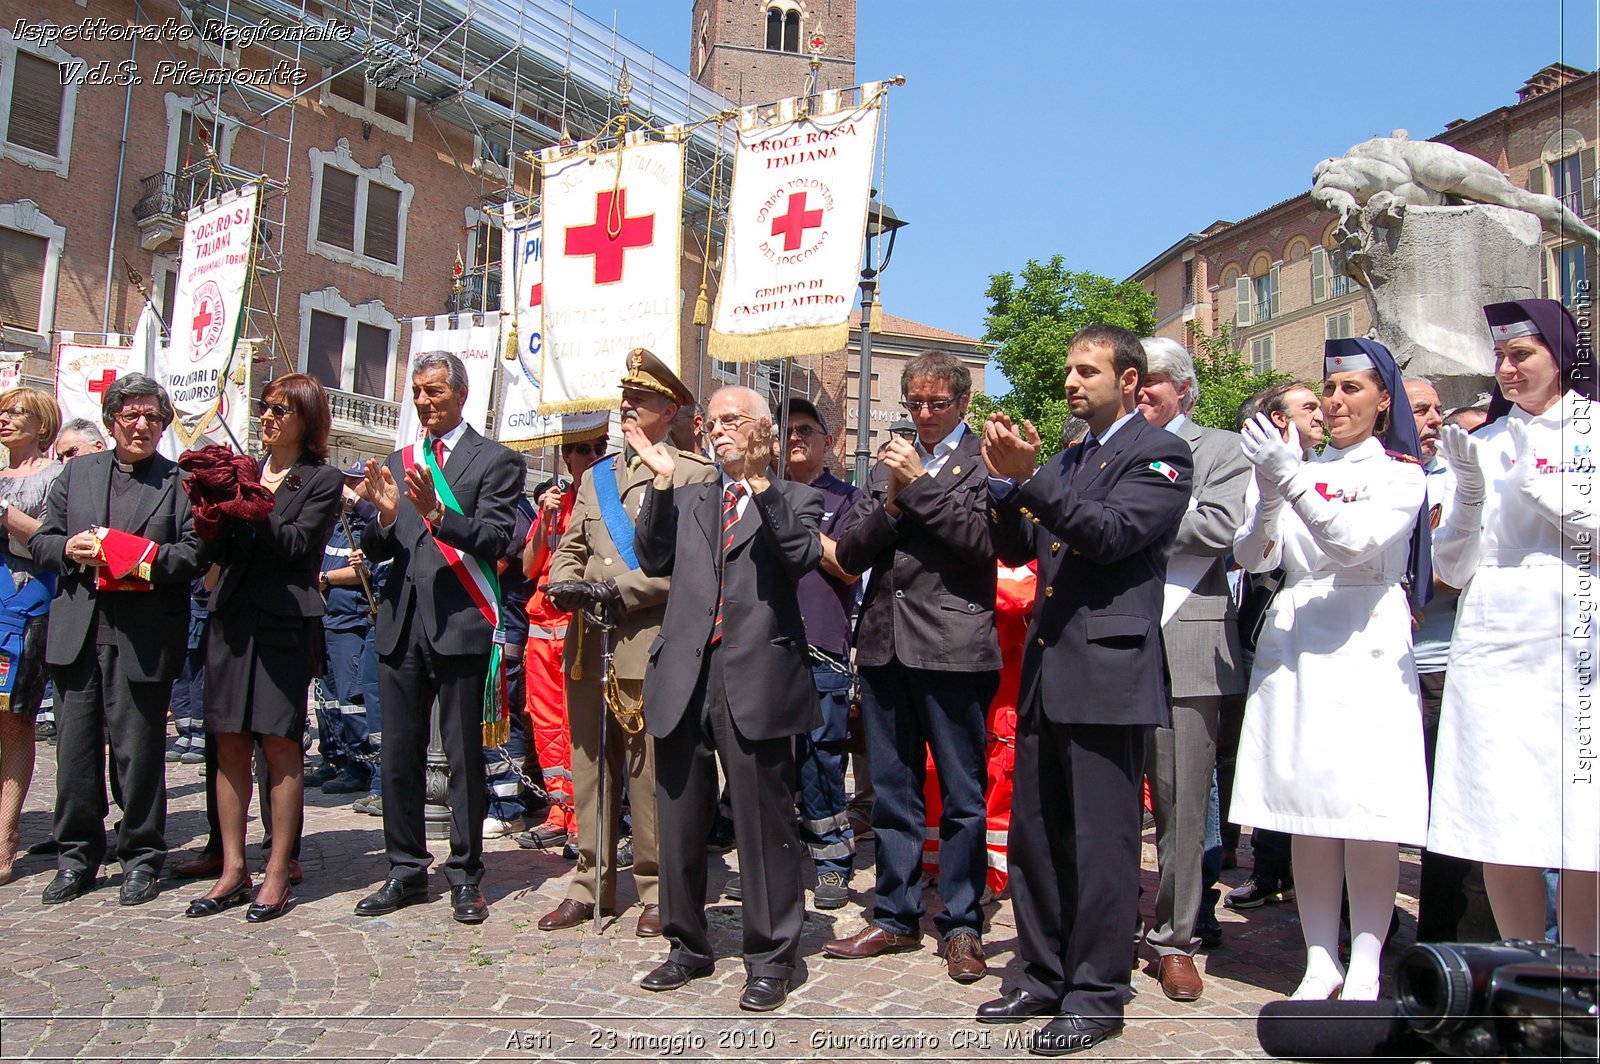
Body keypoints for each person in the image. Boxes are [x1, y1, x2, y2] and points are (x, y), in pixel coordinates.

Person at [977, 324, 1193, 1056]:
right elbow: (1017, 551)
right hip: (1048, 669)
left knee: (1103, 845)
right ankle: (1043, 972)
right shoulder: (1069, 457)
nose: (1071, 381)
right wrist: (1007, 488)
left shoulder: (1161, 453)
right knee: (1038, 837)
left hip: (1108, 674)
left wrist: (1035, 482)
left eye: (1087, 370)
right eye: (1069, 369)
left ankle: (1097, 992)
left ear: (1130, 380)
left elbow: (1109, 534)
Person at [1231, 337, 1431, 1001]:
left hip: (1364, 636)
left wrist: (1290, 480)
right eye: (1329, 390)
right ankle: (1320, 959)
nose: (1337, 403)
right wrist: (1266, 494)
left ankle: (1369, 957)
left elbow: (1353, 545)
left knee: (1364, 811)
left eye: (1352, 390)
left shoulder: (1401, 473)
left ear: (1382, 400)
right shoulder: (1298, 466)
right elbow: (1257, 559)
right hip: (1299, 639)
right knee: (1308, 808)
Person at [630, 384, 823, 1013]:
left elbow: (797, 557)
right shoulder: (691, 498)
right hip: (685, 672)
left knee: (764, 827)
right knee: (680, 819)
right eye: (711, 422)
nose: (718, 431)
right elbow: (652, 555)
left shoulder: (797, 496)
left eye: (733, 421)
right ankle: (686, 943)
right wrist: (659, 484)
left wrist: (761, 482)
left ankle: (771, 958)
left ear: (764, 430)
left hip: (756, 679)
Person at [1429, 299, 1598, 953]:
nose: (1505, 369)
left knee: (1583, 819)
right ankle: (1525, 968)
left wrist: (1538, 484)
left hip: (1577, 645)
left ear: (1562, 354)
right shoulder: (1482, 442)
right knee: (1499, 813)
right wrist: (1467, 498)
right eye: (1498, 356)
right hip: (1493, 647)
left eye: (1521, 354)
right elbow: (1452, 568)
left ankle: (1585, 970)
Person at [825, 351, 999, 985]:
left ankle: (961, 922)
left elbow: (981, 544)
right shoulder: (887, 461)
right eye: (916, 404)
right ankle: (894, 914)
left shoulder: (982, 461)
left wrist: (919, 485)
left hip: (953, 646)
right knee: (893, 792)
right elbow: (849, 549)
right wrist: (895, 503)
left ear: (962, 403)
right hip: (883, 643)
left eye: (938, 405)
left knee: (960, 794)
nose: (924, 415)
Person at [538, 350, 716, 937]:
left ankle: (654, 888)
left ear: (669, 410)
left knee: (645, 771)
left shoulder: (693, 474)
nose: (628, 409)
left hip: (646, 637)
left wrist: (617, 590)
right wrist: (562, 582)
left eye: (640, 401)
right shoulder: (596, 477)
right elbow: (572, 544)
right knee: (589, 766)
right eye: (625, 399)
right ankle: (590, 884)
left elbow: (689, 567)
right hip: (590, 641)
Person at [355, 351, 524, 924]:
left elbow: (499, 539)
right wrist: (382, 518)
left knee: (462, 758)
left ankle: (466, 875)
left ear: (461, 393)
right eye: (418, 392)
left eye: (434, 392)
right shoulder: (399, 459)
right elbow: (379, 548)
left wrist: (436, 513)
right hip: (401, 625)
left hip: (459, 623)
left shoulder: (496, 461)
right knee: (398, 756)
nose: (424, 402)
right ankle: (404, 869)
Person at [31, 374, 206, 906]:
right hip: (78, 632)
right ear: (111, 420)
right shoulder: (77, 473)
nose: (141, 425)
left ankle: (141, 856)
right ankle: (77, 856)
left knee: (139, 755)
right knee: (76, 754)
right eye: (131, 415)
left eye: (153, 417)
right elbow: (42, 540)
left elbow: (193, 554)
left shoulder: (179, 482)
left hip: (142, 635)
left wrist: (139, 558)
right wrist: (70, 549)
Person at [183, 374, 342, 922]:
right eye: (264, 407)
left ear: (307, 420)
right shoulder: (247, 471)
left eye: (282, 409)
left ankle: (277, 870)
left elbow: (296, 545)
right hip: (232, 616)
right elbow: (219, 546)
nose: (269, 417)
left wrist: (251, 501)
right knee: (227, 741)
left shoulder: (320, 479)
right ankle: (231, 868)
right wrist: (212, 504)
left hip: (282, 623)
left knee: (279, 744)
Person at [1135, 337, 1250, 1001]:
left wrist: (1130, 515)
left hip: (1189, 644)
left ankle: (1175, 937)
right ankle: (1114, 919)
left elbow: (1215, 530)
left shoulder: (1223, 449)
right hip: (1114, 645)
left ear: (1183, 389)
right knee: (1114, 798)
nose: (1141, 392)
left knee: (1181, 803)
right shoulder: (1102, 444)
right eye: (1134, 380)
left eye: (1152, 382)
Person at [1222, 380, 1324, 914]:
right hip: (1265, 621)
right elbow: (1246, 552)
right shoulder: (1249, 476)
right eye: (1309, 405)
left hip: (1331, 629)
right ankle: (1268, 867)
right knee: (1264, 747)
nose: (1322, 412)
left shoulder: (1332, 473)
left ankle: (1324, 882)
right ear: (1276, 420)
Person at [777, 396, 859, 911]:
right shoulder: (755, 493)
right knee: (769, 762)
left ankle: (831, 860)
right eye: (786, 429)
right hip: (764, 645)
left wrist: (803, 526)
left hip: (821, 645)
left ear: (829, 442)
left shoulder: (846, 499)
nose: (795, 437)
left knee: (821, 757)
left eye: (807, 429)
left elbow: (849, 566)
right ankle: (774, 860)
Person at [1402, 376, 1474, 943]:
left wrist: (1410, 580)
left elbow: (1461, 570)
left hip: (1444, 665)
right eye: (1417, 409)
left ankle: (1439, 940)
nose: (1431, 419)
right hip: (1380, 664)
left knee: (1444, 814)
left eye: (1435, 409)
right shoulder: (1369, 473)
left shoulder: (1461, 477)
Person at [515, 437, 603, 852]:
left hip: (578, 627)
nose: (593, 455)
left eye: (600, 446)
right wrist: (544, 520)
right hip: (541, 627)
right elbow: (529, 566)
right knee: (546, 723)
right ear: (566, 456)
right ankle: (557, 811)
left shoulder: (604, 498)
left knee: (578, 724)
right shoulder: (552, 503)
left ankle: (583, 819)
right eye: (584, 448)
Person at [0, 388, 61, 884]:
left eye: (16, 412)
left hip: (24, 608)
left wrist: (4, 515)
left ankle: (5, 838)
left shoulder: (55, 477)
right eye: (1, 411)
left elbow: (49, 543)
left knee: (13, 720)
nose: (5, 419)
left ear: (42, 423)